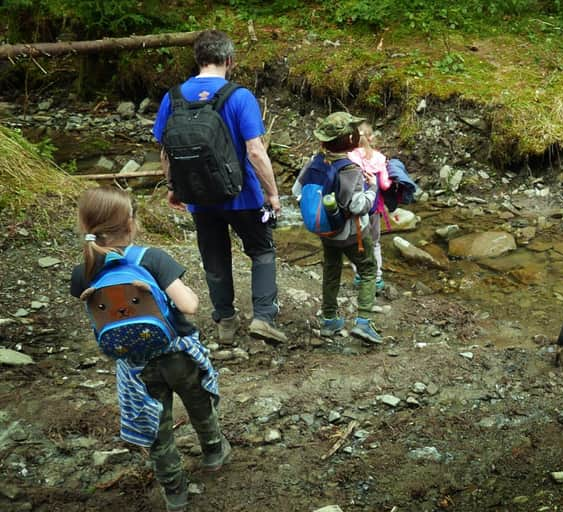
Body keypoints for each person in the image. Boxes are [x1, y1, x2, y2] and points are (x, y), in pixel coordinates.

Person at [70, 187, 230, 512]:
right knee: (199, 403)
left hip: (136, 367)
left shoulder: (82, 272)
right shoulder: (153, 258)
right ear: (130, 225)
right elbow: (189, 306)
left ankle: (175, 491)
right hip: (178, 354)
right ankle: (214, 452)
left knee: (157, 429)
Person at [152, 29, 287, 344]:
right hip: (243, 195)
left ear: (197, 59)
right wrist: (272, 194)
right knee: (262, 250)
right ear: (230, 60)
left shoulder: (173, 97)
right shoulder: (239, 96)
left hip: (199, 197)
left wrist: (174, 187)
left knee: (214, 257)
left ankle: (225, 320)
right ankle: (263, 317)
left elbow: (166, 150)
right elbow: (255, 150)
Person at [292, 112, 383, 345]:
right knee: (368, 270)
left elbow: (296, 192)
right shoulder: (350, 170)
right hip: (353, 234)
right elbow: (358, 205)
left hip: (327, 232)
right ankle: (363, 322)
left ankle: (329, 319)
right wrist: (372, 189)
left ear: (324, 140)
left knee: (331, 271)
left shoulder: (315, 162)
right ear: (351, 140)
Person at [347, 121, 392, 292]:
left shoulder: (348, 156)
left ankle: (360, 276)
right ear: (371, 137)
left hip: (355, 208)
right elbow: (385, 185)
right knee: (374, 244)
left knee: (355, 241)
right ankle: (377, 278)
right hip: (373, 208)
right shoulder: (379, 158)